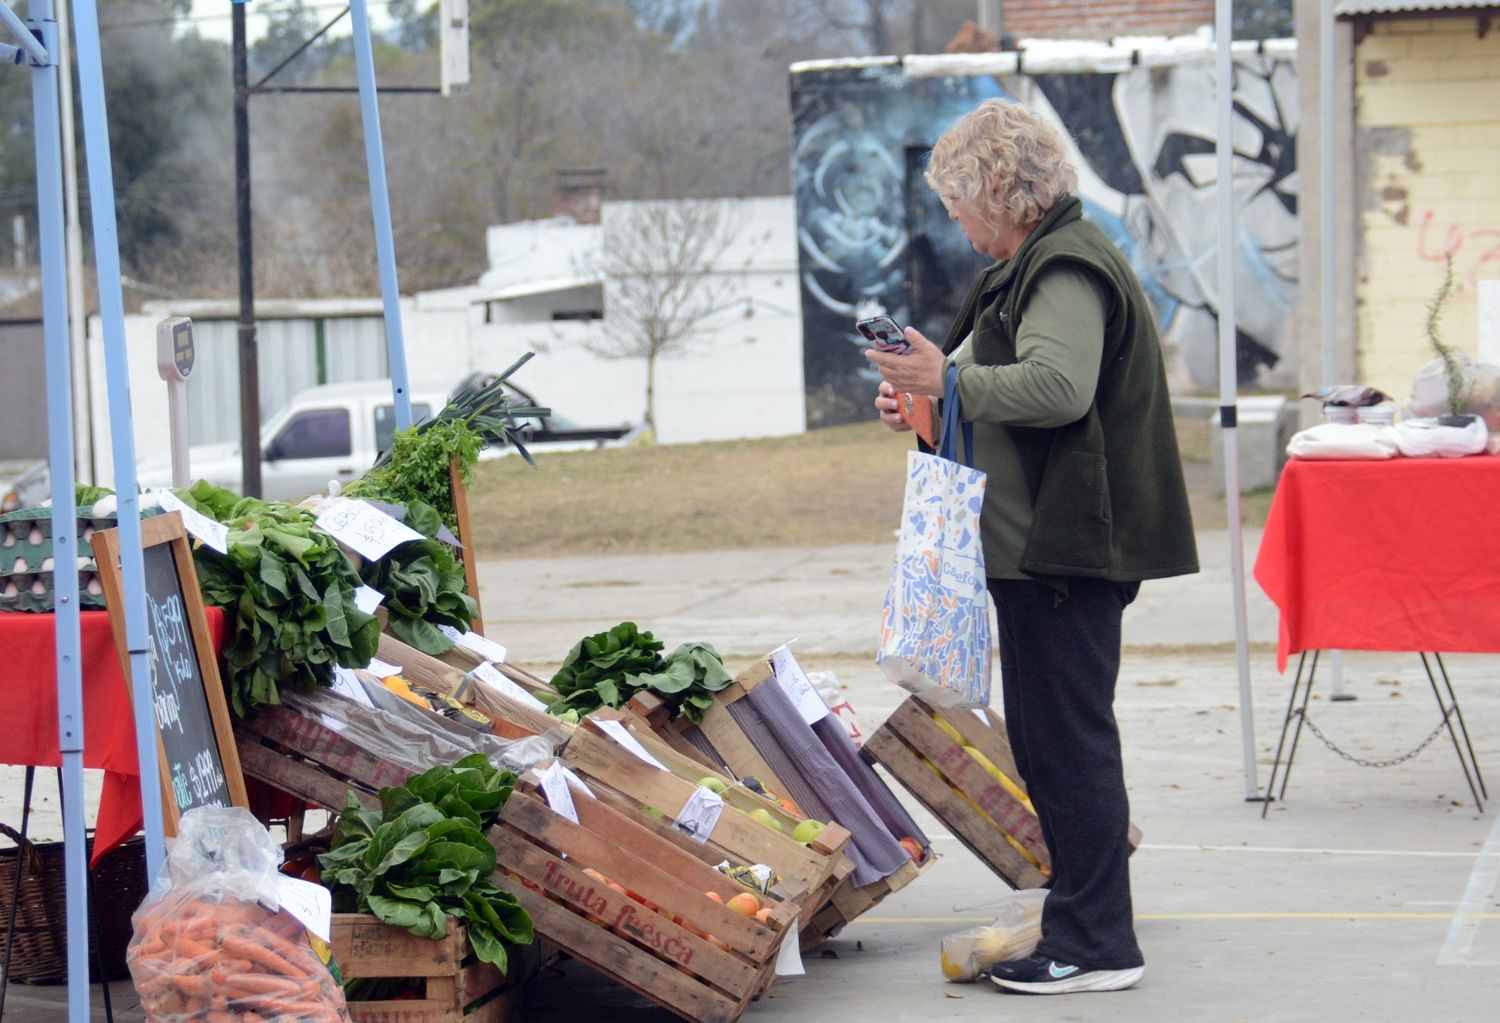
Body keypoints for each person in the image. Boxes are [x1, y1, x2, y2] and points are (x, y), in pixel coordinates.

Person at [866, 98, 1198, 995]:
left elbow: (1056, 386)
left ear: (999, 191)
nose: (956, 222)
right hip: (1037, 546)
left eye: (957, 203)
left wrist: (950, 375)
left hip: (1067, 550)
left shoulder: (1063, 268)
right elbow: (990, 392)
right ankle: (1081, 921)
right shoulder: (1026, 267)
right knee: (1054, 745)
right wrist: (925, 398)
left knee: (1070, 743)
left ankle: (1097, 945)